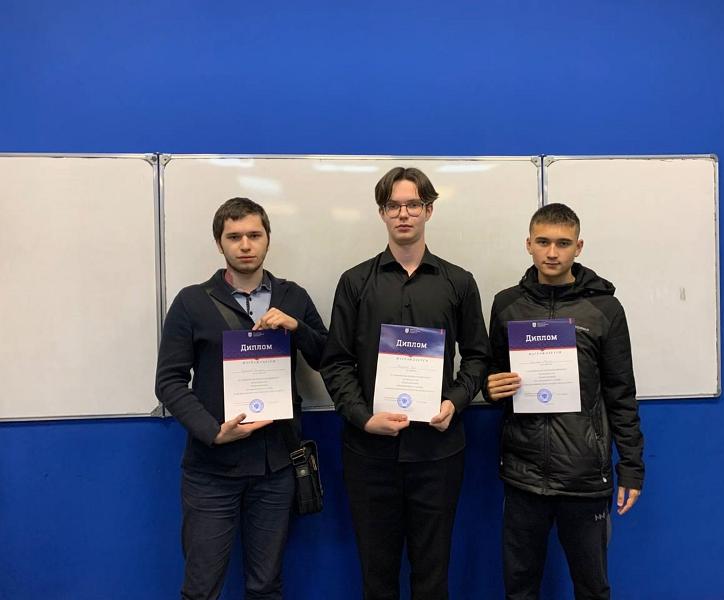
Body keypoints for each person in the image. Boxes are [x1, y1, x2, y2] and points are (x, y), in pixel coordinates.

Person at [320, 167, 490, 600]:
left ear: (429, 210)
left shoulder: (459, 282)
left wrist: (455, 402)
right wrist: (363, 418)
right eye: (393, 206)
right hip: (369, 454)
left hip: (438, 453)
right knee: (377, 577)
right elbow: (335, 362)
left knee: (432, 575)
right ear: (381, 213)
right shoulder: (354, 282)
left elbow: (478, 357)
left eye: (413, 204)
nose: (403, 214)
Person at [155, 197, 327, 600]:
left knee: (266, 586)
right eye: (234, 237)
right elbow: (169, 381)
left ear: (268, 239)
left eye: (254, 235)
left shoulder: (294, 296)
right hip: (211, 470)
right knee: (201, 589)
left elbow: (327, 358)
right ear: (219, 243)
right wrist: (213, 432)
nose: (245, 245)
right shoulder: (191, 302)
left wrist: (297, 327)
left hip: (277, 467)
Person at [486, 203, 645, 600]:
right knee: (520, 588)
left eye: (563, 243)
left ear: (579, 247)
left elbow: (621, 393)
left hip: (584, 476)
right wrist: (490, 389)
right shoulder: (506, 305)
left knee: (592, 587)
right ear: (528, 244)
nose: (552, 252)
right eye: (543, 242)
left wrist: (631, 467)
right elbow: (493, 375)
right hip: (523, 474)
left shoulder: (605, 309)